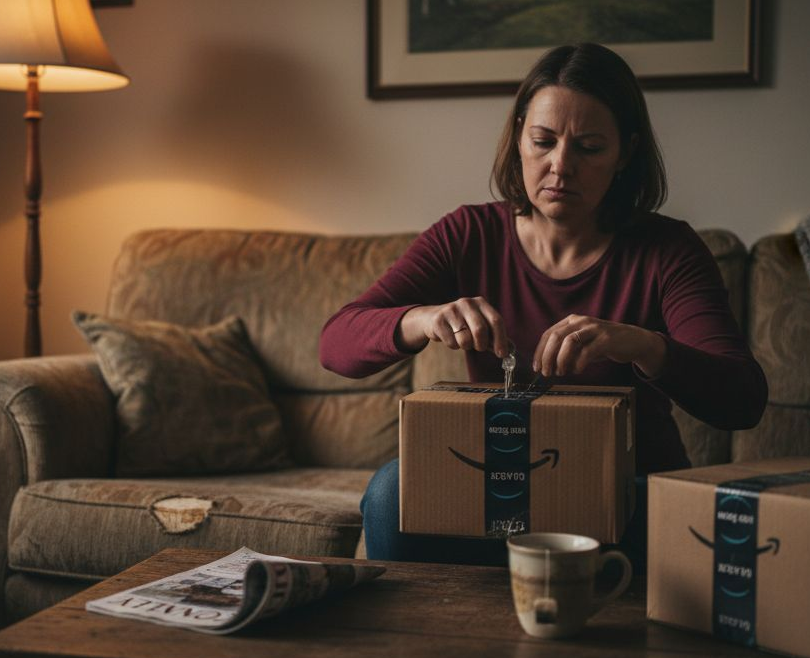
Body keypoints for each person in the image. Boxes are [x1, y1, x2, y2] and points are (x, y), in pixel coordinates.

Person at [319, 42, 768, 568]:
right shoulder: (468, 234)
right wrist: (421, 318)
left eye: (589, 148)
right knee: (390, 492)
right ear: (518, 141)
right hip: (497, 489)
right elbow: (336, 344)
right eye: (543, 141)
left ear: (625, 154)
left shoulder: (667, 250)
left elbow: (743, 400)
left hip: (626, 496)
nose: (561, 166)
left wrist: (644, 346)